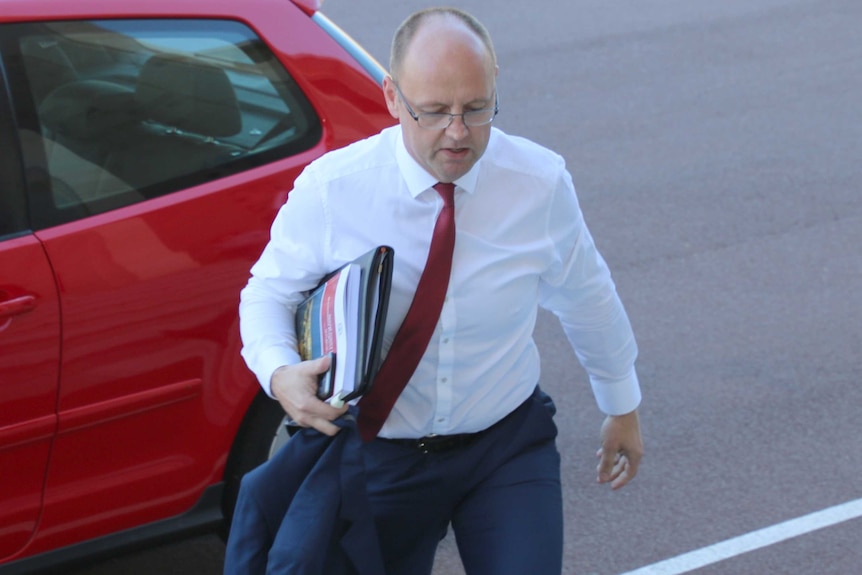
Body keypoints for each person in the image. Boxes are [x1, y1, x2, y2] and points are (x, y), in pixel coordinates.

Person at [238, 7, 643, 575]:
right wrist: (279, 372)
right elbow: (266, 296)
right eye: (433, 112)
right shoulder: (334, 191)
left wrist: (621, 405)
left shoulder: (539, 183)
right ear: (391, 96)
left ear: (495, 84)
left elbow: (586, 294)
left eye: (476, 109)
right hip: (380, 457)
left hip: (503, 447)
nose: (457, 132)